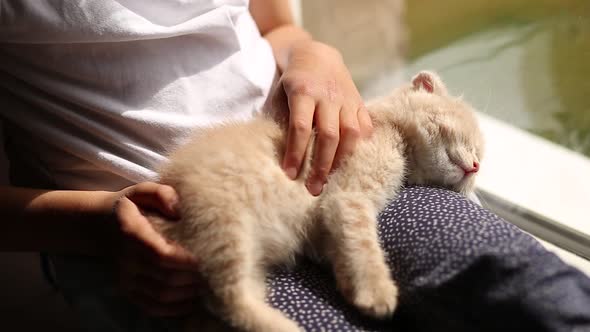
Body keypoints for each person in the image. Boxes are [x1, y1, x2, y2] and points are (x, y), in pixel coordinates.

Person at [1, 1, 589, 331]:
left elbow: (276, 25)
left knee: (525, 282)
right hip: (155, 230)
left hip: (324, 158)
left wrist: (313, 54)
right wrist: (94, 224)